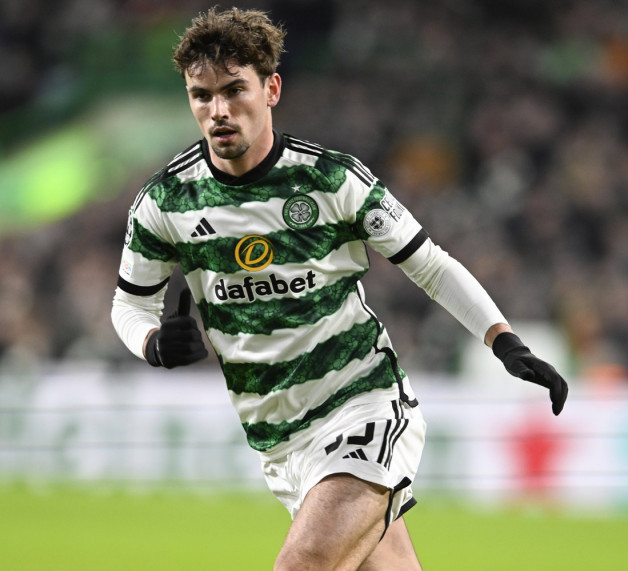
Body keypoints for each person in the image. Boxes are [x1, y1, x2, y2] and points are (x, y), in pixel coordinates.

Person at [111, 7, 568, 569]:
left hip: (362, 406)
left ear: (271, 88)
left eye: (235, 90)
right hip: (278, 440)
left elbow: (430, 264)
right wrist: (154, 344)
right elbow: (130, 305)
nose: (219, 111)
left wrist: (503, 341)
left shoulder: (331, 180)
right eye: (201, 95)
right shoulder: (167, 202)